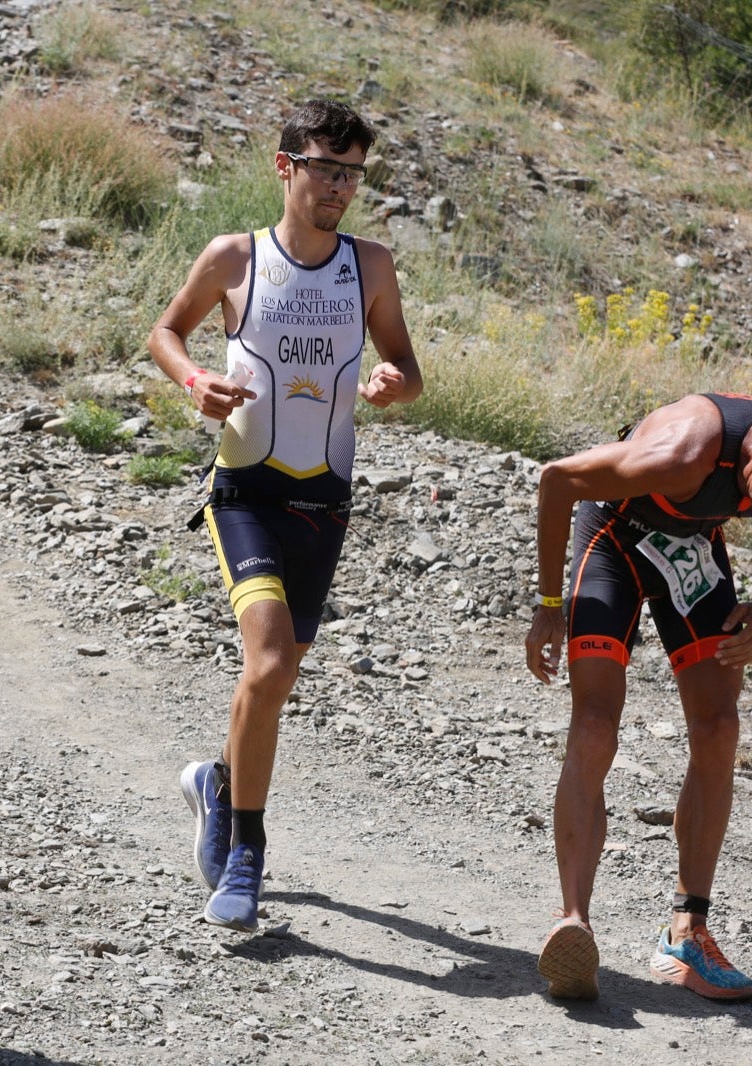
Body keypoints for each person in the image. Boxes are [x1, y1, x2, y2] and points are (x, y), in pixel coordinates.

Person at [149, 100, 424, 931]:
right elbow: (166, 331)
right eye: (325, 168)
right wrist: (196, 382)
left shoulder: (369, 266)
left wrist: (393, 385)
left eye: (351, 173)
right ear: (285, 167)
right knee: (268, 666)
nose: (339, 186)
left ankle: (217, 784)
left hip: (324, 501)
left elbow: (407, 366)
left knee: (276, 680)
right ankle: (246, 855)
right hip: (244, 490)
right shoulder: (235, 257)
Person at [526, 392, 752, 1001]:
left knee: (719, 729)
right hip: (613, 538)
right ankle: (574, 925)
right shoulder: (683, 452)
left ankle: (687, 935)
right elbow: (558, 480)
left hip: (690, 548)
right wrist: (549, 607)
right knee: (595, 725)